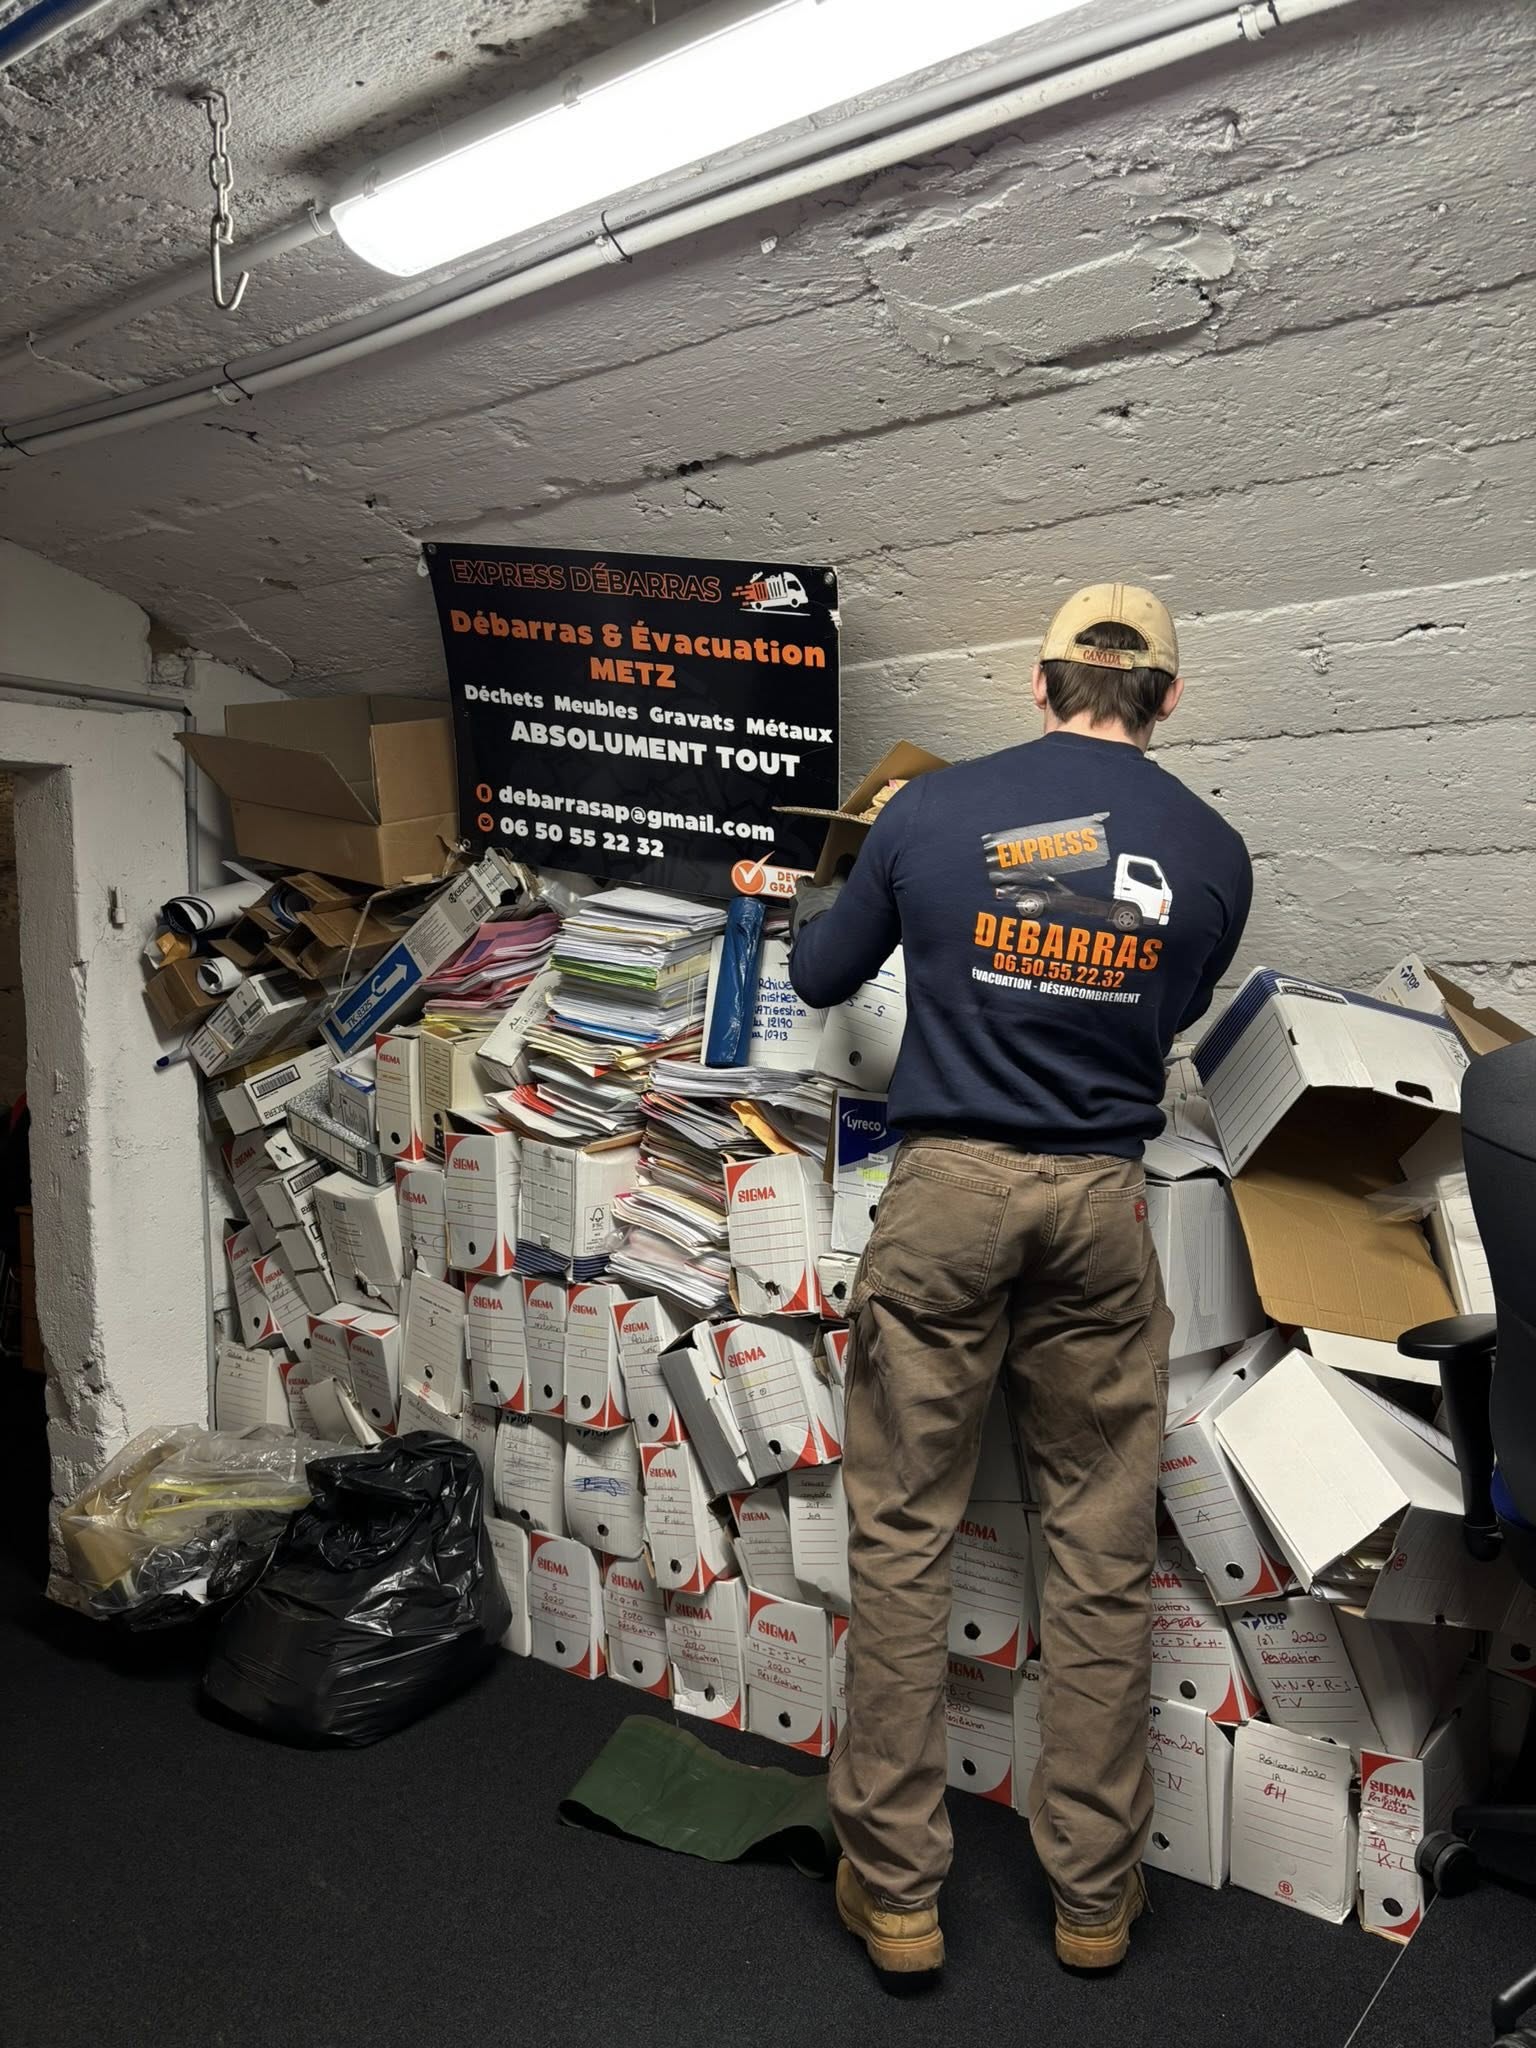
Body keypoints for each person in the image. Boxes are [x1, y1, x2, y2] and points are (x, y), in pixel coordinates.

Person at [788, 583, 1252, 1978]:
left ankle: (901, 1893)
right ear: (1166, 701)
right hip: (1101, 1204)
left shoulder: (934, 813)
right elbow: (1164, 1020)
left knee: (905, 1537)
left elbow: (820, 975)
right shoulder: (1214, 852)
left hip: (948, 1195)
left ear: (1041, 686)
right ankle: (1097, 1903)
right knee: (1101, 1553)